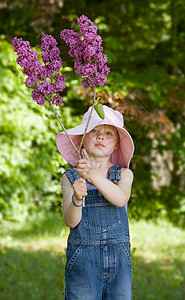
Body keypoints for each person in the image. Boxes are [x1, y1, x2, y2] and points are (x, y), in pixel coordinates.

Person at [56, 105, 134, 300]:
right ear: (82, 139)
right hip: (83, 260)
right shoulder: (70, 177)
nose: (101, 137)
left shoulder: (123, 175)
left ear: (116, 144)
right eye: (95, 131)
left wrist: (92, 175)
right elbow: (71, 221)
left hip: (119, 264)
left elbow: (120, 199)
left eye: (109, 133)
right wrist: (77, 199)